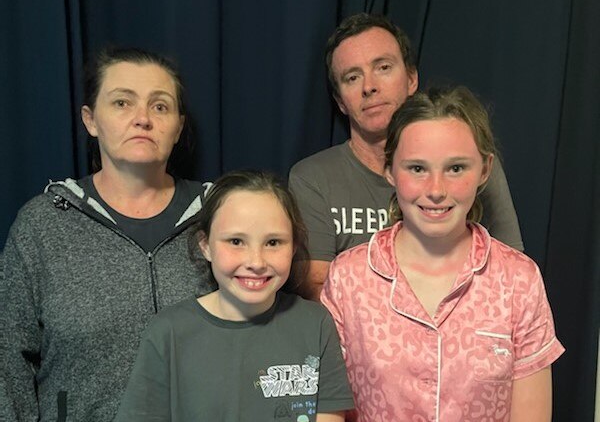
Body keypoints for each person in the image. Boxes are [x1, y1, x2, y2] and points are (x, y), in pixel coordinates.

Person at [321, 86, 565, 421]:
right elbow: (330, 409)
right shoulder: (348, 278)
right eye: (417, 169)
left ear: (484, 169)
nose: (436, 190)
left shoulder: (518, 280)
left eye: (456, 168)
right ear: (390, 170)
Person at [0, 47, 216, 421]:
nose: (142, 119)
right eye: (122, 103)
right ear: (91, 120)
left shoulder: (220, 217)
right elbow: (7, 358)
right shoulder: (43, 225)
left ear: (178, 127)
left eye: (160, 106)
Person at [289, 13, 523, 300]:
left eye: (383, 67)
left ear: (411, 79)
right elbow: (319, 293)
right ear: (340, 101)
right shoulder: (313, 178)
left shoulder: (469, 163)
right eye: (352, 77)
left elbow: (512, 277)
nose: (369, 86)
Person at [115, 170, 354, 421]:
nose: (256, 262)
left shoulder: (316, 324)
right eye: (236, 241)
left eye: (273, 242)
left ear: (294, 247)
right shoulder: (169, 331)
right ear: (205, 245)